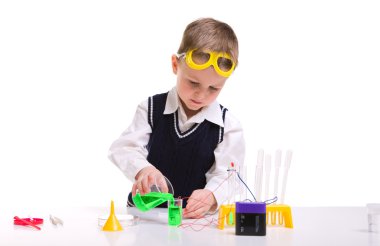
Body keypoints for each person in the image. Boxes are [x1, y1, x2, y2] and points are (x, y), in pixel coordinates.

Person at [108, 17, 245, 219]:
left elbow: (230, 176)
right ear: (175, 65)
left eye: (214, 88)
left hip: (192, 220)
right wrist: (143, 169)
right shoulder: (151, 109)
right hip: (146, 215)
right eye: (193, 82)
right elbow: (123, 148)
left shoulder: (228, 126)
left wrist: (211, 195)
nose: (201, 95)